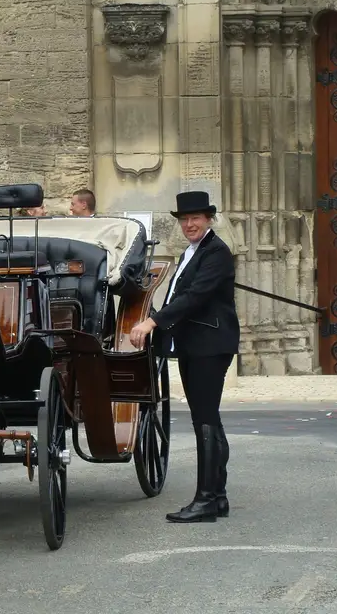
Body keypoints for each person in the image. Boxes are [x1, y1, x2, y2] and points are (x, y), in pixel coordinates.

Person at [128, 191, 238, 523]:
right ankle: (217, 496)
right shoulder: (193, 252)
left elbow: (194, 297)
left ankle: (206, 500)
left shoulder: (216, 252)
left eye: (196, 218)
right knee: (208, 419)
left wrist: (151, 322)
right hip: (195, 344)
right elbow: (180, 296)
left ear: (209, 219)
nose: (189, 224)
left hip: (210, 345)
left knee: (204, 420)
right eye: (184, 219)